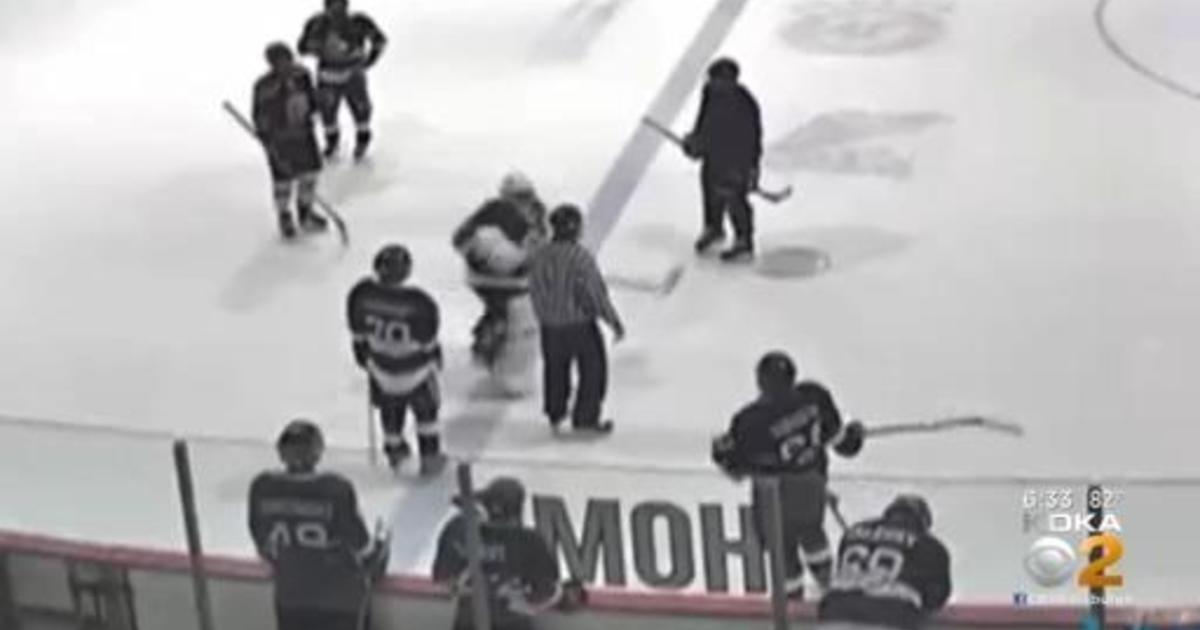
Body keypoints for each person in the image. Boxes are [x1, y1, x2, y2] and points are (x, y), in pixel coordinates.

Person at [711, 351, 866, 599]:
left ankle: (792, 608)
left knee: (782, 552)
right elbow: (837, 438)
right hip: (812, 485)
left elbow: (737, 468)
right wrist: (853, 436)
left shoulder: (750, 420)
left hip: (773, 495)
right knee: (812, 532)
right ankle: (831, 588)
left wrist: (721, 452)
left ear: (761, 381)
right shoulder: (814, 396)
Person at [248, 419, 387, 630]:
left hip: (291, 596)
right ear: (317, 452)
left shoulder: (262, 488)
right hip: (340, 599)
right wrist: (381, 546)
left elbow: (263, 545)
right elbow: (363, 551)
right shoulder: (335, 489)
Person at [346, 244, 447, 475]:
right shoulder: (419, 302)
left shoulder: (362, 294)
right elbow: (428, 342)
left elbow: (358, 337)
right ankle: (430, 457)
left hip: (381, 367)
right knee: (426, 413)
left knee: (390, 408)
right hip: (416, 369)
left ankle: (394, 448)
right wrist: (436, 361)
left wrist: (367, 362)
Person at [528, 205, 625, 433]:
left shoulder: (540, 257)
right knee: (592, 369)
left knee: (555, 368)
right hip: (578, 325)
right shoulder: (580, 258)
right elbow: (594, 294)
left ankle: (555, 411)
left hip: (550, 326)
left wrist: (544, 315)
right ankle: (586, 416)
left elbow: (533, 289)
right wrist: (613, 321)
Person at [451, 172, 548, 395]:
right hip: (488, 279)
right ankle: (490, 345)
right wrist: (481, 256)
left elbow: (540, 247)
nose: (521, 202)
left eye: (525, 196)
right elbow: (460, 240)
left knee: (504, 312)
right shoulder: (492, 212)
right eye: (517, 197)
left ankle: (487, 339)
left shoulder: (537, 215)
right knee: (511, 316)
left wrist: (524, 260)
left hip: (514, 279)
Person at [432, 476, 565, 630]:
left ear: (491, 509)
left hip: (468, 622)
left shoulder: (459, 531)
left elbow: (442, 579)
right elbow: (548, 591)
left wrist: (462, 585)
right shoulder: (530, 541)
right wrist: (521, 602)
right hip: (513, 623)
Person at [818, 495, 952, 630]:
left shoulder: (852, 533)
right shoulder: (930, 545)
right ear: (923, 522)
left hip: (835, 611)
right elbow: (935, 598)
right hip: (890, 614)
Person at [682, 56, 762, 262]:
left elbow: (753, 141)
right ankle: (713, 227)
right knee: (710, 193)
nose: (711, 83)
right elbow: (703, 122)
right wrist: (695, 141)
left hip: (736, 160)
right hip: (713, 156)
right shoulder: (709, 94)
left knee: (734, 199)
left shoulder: (745, 105)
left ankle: (744, 238)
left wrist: (751, 169)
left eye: (716, 80)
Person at [252, 42, 328, 239]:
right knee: (283, 181)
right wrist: (266, 135)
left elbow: (311, 99)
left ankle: (305, 211)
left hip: (303, 134)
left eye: (288, 59)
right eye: (279, 62)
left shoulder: (302, 75)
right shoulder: (264, 86)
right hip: (280, 140)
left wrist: (316, 107)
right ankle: (284, 215)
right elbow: (259, 114)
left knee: (310, 173)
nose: (285, 65)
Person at [297, 0, 388, 160]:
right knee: (327, 111)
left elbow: (379, 40)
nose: (337, 12)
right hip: (328, 73)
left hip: (353, 72)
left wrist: (369, 60)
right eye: (333, 8)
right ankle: (332, 141)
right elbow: (302, 47)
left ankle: (362, 138)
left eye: (341, 7)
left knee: (361, 108)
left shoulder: (359, 22)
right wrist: (318, 47)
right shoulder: (316, 23)